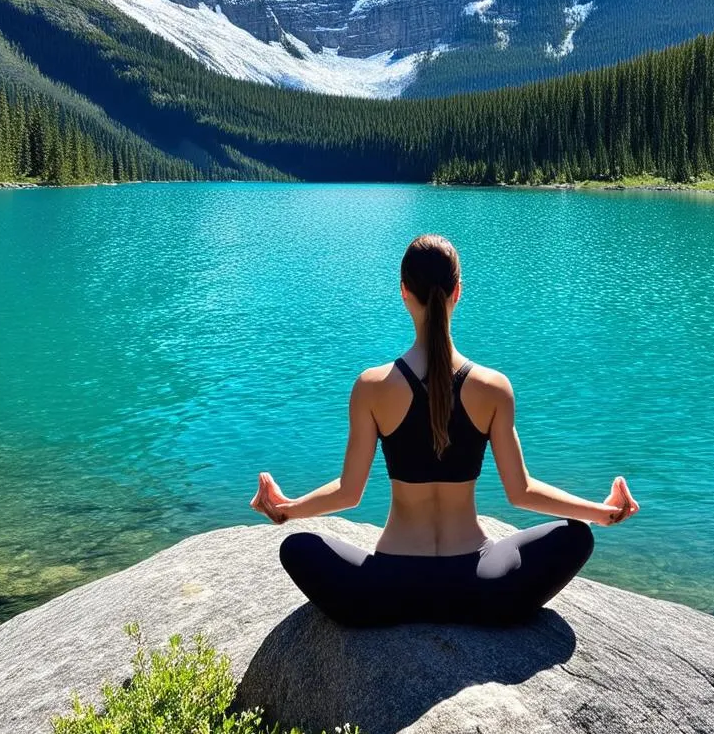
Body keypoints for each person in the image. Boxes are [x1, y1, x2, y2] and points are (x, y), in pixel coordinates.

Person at [250, 233, 639, 627]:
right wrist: (600, 513)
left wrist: (287, 509)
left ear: (404, 292)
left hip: (390, 588)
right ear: (458, 292)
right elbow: (521, 492)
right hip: (480, 588)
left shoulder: (372, 387)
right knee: (577, 536)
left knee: (297, 547)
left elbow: (349, 493)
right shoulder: (493, 387)